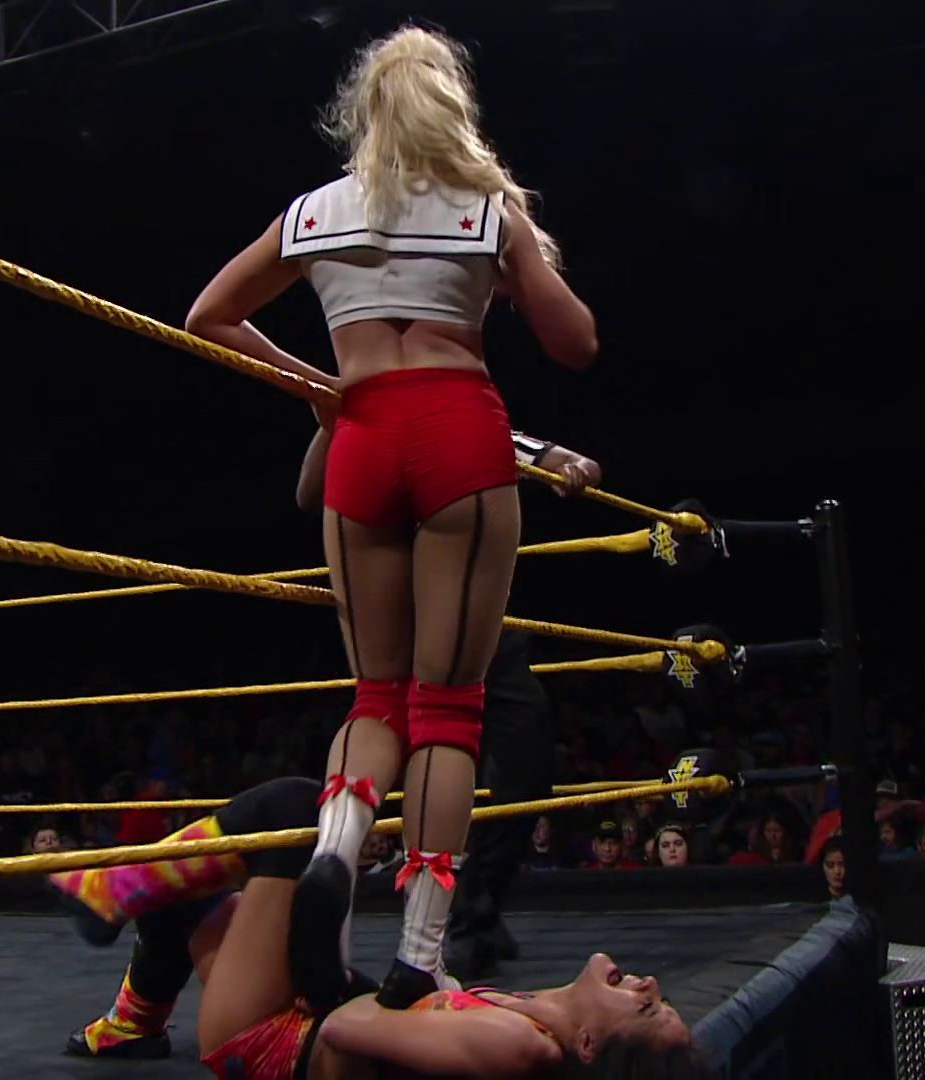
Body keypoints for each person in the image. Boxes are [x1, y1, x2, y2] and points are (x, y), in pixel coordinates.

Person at [183, 23, 597, 1008]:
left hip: (363, 433)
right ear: (451, 107)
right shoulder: (484, 209)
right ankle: (420, 952)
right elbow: (576, 343)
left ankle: (336, 851)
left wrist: (320, 389)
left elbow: (208, 317)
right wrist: (516, 237)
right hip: (457, 430)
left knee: (375, 697)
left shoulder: (315, 212)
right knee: (447, 709)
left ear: (363, 112)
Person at [53, 777, 697, 1077]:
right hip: (300, 1022)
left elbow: (345, 1027)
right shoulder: (532, 1020)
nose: (648, 985)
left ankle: (112, 890)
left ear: (587, 1045)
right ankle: (131, 1027)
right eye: (660, 998)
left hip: (274, 1041)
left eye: (646, 1010)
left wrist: (324, 944)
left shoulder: (518, 1046)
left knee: (294, 813)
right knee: (188, 890)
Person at [296, 414, 602, 980]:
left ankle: (467, 908)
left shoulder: (466, 418)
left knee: (524, 770)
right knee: (429, 736)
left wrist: (574, 469)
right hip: (411, 629)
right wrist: (335, 412)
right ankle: (430, 939)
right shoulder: (365, 419)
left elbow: (562, 459)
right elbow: (309, 492)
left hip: (481, 632)